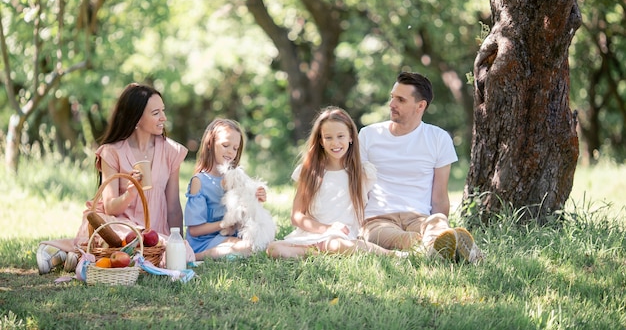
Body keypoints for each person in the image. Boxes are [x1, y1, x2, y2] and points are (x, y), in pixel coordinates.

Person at [36, 83, 190, 274]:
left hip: (153, 235)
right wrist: (131, 193)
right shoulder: (112, 152)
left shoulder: (171, 151)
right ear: (136, 117)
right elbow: (110, 207)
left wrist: (178, 244)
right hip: (119, 226)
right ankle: (56, 250)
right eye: (156, 113)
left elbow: (174, 206)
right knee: (124, 237)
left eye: (163, 111)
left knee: (175, 249)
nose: (164, 118)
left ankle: (75, 255)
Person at [359, 72, 483, 263]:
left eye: (400, 99)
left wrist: (440, 220)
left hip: (419, 218)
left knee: (437, 222)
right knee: (397, 237)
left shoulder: (438, 138)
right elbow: (356, 187)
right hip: (379, 219)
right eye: (392, 97)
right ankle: (452, 249)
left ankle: (442, 244)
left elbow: (440, 196)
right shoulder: (368, 135)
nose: (392, 104)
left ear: (421, 105)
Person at [266, 106, 407, 259]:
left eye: (341, 136)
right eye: (328, 137)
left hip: (342, 237)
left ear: (351, 137)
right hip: (312, 234)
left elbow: (375, 207)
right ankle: (317, 253)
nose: (335, 143)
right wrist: (326, 228)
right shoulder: (309, 172)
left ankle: (392, 255)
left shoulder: (362, 173)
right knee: (273, 249)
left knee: (338, 244)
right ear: (320, 140)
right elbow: (297, 216)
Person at [185, 118, 268, 260]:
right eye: (225, 145)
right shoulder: (200, 182)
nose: (231, 152)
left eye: (235, 148)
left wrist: (256, 198)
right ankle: (198, 256)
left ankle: (225, 253)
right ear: (210, 144)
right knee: (245, 247)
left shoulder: (236, 177)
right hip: (204, 241)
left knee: (261, 244)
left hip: (229, 237)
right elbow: (194, 230)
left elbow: (245, 212)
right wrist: (224, 224)